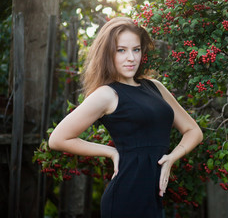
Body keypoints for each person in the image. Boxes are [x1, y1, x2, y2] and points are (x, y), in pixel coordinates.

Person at [48, 17, 203, 218]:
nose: (131, 57)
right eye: (121, 50)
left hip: (154, 197)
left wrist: (171, 158)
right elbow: (58, 139)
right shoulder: (106, 94)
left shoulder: (155, 87)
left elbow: (194, 131)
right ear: (107, 54)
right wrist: (111, 152)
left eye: (136, 49)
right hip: (126, 198)